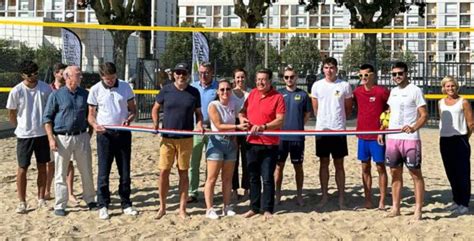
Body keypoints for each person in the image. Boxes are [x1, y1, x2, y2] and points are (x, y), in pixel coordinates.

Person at [43, 66, 97, 216]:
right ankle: (60, 204)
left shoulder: (85, 94)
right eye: (77, 75)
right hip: (62, 137)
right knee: (60, 172)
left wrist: (89, 134)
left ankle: (90, 199)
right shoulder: (56, 95)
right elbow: (47, 119)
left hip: (81, 136)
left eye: (80, 75)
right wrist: (51, 138)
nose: (80, 77)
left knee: (86, 169)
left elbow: (90, 116)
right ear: (68, 77)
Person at [87, 62, 138, 220]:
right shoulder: (95, 89)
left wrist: (129, 119)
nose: (110, 81)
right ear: (101, 76)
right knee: (103, 171)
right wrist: (95, 125)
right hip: (104, 134)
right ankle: (103, 204)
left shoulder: (125, 87)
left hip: (123, 132)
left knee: (124, 171)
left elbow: (133, 110)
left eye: (112, 78)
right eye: (107, 78)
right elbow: (90, 115)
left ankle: (126, 203)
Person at [152, 63, 203, 219]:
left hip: (186, 138)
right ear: (173, 74)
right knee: (163, 172)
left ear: (187, 74)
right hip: (167, 138)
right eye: (178, 72)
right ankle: (162, 207)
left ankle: (182, 208)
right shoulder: (166, 90)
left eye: (183, 73)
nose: (181, 75)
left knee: (183, 173)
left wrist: (199, 124)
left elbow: (199, 114)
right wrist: (155, 124)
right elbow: (155, 108)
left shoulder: (194, 92)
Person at [239, 68, 285, 220]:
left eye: (263, 79)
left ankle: (267, 209)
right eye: (258, 79)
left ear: (270, 81)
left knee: (267, 178)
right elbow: (242, 112)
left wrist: (264, 127)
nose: (260, 82)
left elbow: (280, 120)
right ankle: (254, 207)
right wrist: (242, 119)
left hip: (269, 144)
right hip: (251, 142)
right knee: (253, 177)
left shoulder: (278, 97)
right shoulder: (252, 94)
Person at [6, 60, 52, 213]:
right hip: (24, 135)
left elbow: (51, 109)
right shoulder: (16, 91)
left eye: (36, 73)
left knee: (42, 167)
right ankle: (22, 202)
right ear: (23, 75)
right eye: (30, 75)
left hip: (42, 134)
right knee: (22, 169)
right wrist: (18, 127)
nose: (34, 76)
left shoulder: (45, 88)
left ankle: (41, 199)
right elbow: (12, 113)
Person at [385, 61, 428, 221]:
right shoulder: (393, 91)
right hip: (393, 138)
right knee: (395, 173)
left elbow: (424, 115)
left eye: (400, 73)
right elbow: (389, 112)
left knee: (415, 173)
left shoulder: (415, 90)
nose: (397, 76)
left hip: (410, 139)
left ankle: (418, 209)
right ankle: (396, 207)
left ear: (406, 73)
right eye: (394, 74)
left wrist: (414, 127)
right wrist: (383, 125)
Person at [310, 57, 353, 209]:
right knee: (323, 164)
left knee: (339, 164)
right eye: (326, 67)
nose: (329, 70)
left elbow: (348, 108)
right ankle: (324, 196)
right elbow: (315, 108)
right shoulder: (317, 85)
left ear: (337, 69)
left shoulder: (344, 85)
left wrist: (338, 121)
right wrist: (323, 120)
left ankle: (341, 197)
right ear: (323, 69)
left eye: (332, 67)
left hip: (338, 129)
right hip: (322, 129)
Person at [204, 79, 248, 219]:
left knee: (227, 178)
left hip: (230, 142)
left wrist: (242, 122)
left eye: (228, 89)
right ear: (217, 91)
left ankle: (226, 206)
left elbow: (239, 116)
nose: (225, 92)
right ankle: (210, 208)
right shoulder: (213, 105)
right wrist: (237, 127)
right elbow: (219, 124)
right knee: (212, 178)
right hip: (216, 142)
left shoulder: (233, 104)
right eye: (222, 89)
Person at [353, 64, 389, 210]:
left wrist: (384, 128)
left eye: (366, 75)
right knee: (365, 168)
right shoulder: (357, 92)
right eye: (360, 75)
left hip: (377, 137)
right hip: (362, 135)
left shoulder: (381, 91)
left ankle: (382, 200)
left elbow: (390, 108)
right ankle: (368, 199)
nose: (363, 78)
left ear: (373, 75)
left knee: (380, 167)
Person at [274, 66, 311, 206]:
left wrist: (298, 124)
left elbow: (307, 114)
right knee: (278, 167)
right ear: (283, 79)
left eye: (292, 77)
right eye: (286, 77)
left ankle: (299, 195)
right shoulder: (278, 94)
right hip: (281, 138)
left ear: (296, 77)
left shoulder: (303, 94)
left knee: (298, 167)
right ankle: (277, 195)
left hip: (297, 137)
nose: (289, 79)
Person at [438, 76, 473, 215]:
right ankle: (456, 200)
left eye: (452, 86)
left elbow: (471, 124)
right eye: (447, 86)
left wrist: (465, 137)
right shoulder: (441, 102)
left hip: (460, 139)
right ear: (443, 88)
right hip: (445, 140)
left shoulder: (463, 102)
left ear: (456, 86)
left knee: (462, 172)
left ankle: (464, 202)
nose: (450, 88)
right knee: (450, 172)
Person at [45, 63, 78, 204]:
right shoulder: (48, 89)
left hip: (65, 133)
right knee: (51, 164)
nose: (64, 76)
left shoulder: (70, 90)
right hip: (51, 131)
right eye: (61, 73)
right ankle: (47, 190)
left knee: (68, 163)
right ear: (56, 74)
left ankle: (70, 193)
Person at [188, 62, 218, 203]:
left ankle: (208, 190)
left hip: (213, 130)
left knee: (210, 163)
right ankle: (192, 192)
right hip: (196, 129)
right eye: (200, 72)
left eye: (206, 72)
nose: (203, 75)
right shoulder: (193, 87)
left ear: (211, 73)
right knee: (194, 163)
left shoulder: (218, 88)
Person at [231, 68, 250, 201]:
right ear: (234, 79)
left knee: (247, 159)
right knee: (233, 159)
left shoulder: (250, 94)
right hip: (233, 126)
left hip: (247, 126)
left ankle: (247, 188)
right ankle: (234, 189)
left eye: (242, 77)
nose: (240, 80)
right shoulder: (229, 93)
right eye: (238, 77)